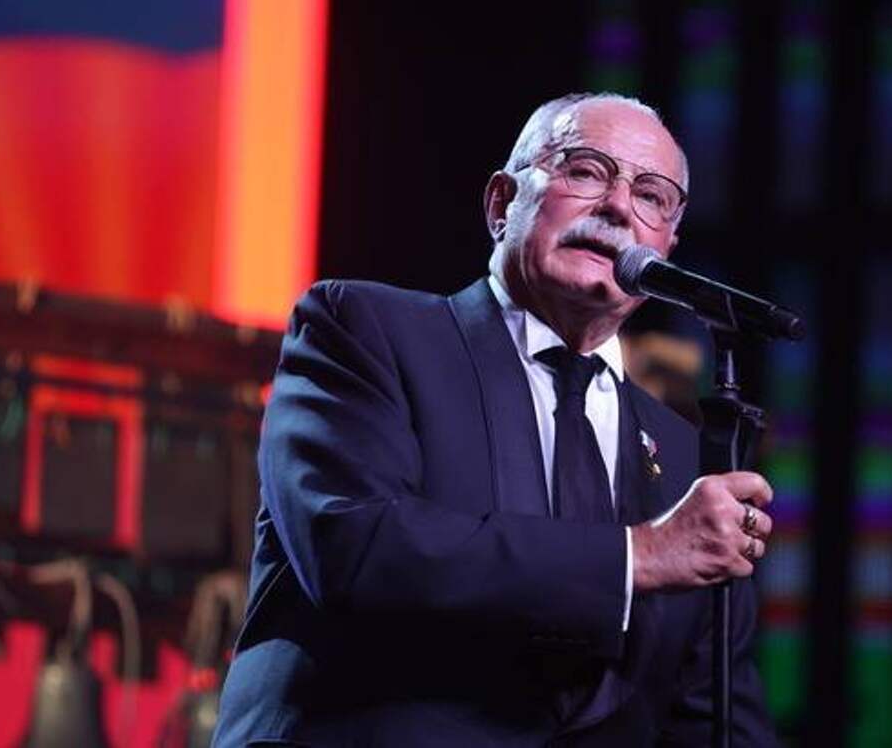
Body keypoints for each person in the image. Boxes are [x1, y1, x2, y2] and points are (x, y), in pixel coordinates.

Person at [212, 92, 778, 747]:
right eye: (586, 170)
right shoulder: (365, 331)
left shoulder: (683, 461)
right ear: (502, 203)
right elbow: (353, 548)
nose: (619, 207)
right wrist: (638, 555)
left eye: (652, 196)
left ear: (667, 246)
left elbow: (711, 713)